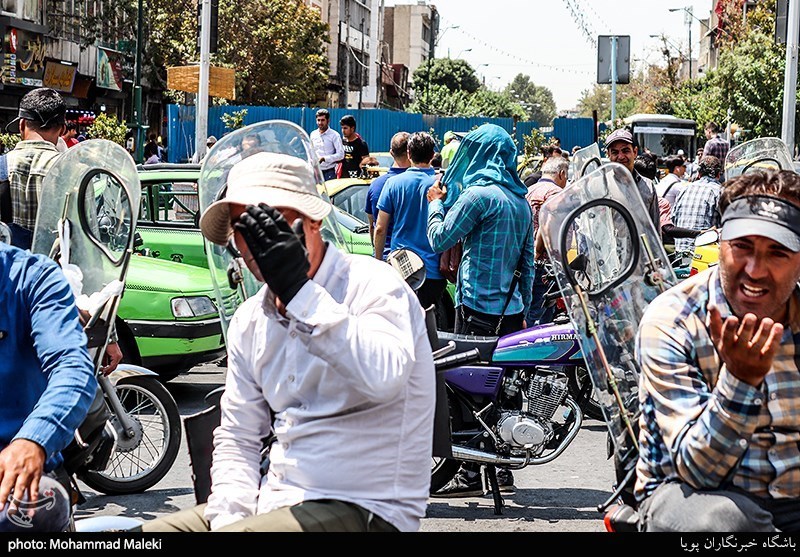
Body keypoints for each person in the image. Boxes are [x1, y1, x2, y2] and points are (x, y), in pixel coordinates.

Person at [140, 150, 435, 532]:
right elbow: (239, 435)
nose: (255, 243)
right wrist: (228, 518)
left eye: (270, 223)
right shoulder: (250, 320)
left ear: (311, 221)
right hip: (275, 497)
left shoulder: (374, 285)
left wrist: (300, 294)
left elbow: (383, 377)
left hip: (367, 507)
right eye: (243, 229)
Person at [635, 169, 800, 532]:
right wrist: (740, 382)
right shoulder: (673, 319)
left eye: (777, 253)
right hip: (690, 494)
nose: (755, 271)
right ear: (719, 243)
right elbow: (696, 469)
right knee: (723, 524)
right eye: (742, 247)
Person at [426, 123, 534, 496]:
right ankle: (502, 470)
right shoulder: (520, 202)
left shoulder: (478, 196)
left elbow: (440, 237)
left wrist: (435, 204)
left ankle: (470, 475)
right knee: (503, 390)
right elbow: (529, 263)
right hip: (510, 311)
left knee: (465, 391)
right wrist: (524, 312)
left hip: (474, 308)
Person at [0, 242, 97, 526]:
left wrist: (33, 440)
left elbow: (72, 367)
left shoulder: (33, 277)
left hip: (17, 469)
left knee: (32, 511)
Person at [375, 131, 445, 312]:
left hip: (401, 269)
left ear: (408, 154)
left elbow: (380, 228)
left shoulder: (393, 183)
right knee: (429, 327)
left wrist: (379, 261)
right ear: (432, 156)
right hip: (433, 272)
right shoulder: (441, 186)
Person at [5, 87, 66, 250]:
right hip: (52, 274)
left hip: (7, 273)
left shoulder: (2, 166)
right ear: (63, 129)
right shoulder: (71, 171)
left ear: (22, 124)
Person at [526, 156, 568, 326]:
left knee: (530, 309)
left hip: (527, 262)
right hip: (545, 264)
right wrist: (537, 251)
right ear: (562, 173)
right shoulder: (556, 193)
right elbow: (547, 226)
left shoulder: (528, 191)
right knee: (539, 313)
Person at [604, 128, 661, 234]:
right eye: (615, 152)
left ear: (635, 152)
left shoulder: (648, 186)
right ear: (609, 155)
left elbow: (655, 228)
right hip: (613, 250)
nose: (620, 157)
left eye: (625, 151)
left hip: (641, 250)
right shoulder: (601, 185)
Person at [364, 131, 410, 253]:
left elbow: (374, 226)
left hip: (385, 254)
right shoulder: (419, 183)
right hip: (413, 257)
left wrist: (377, 257)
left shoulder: (376, 185)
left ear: (391, 153)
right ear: (410, 153)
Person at [670, 155, 723, 254]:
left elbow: (673, 218)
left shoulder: (684, 189)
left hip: (680, 252)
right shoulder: (719, 191)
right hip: (704, 256)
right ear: (718, 175)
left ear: (699, 174)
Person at [310, 108, 344, 182]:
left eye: (322, 120)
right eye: (318, 120)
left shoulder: (334, 135)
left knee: (330, 193)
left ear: (328, 121)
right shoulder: (313, 134)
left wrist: (324, 158)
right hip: (316, 171)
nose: (320, 123)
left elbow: (341, 155)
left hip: (329, 172)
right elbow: (311, 152)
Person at [338, 115, 369, 179]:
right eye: (342, 128)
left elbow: (366, 162)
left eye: (345, 128)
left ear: (352, 128)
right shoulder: (341, 141)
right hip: (343, 175)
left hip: (355, 176)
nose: (343, 131)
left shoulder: (361, 144)